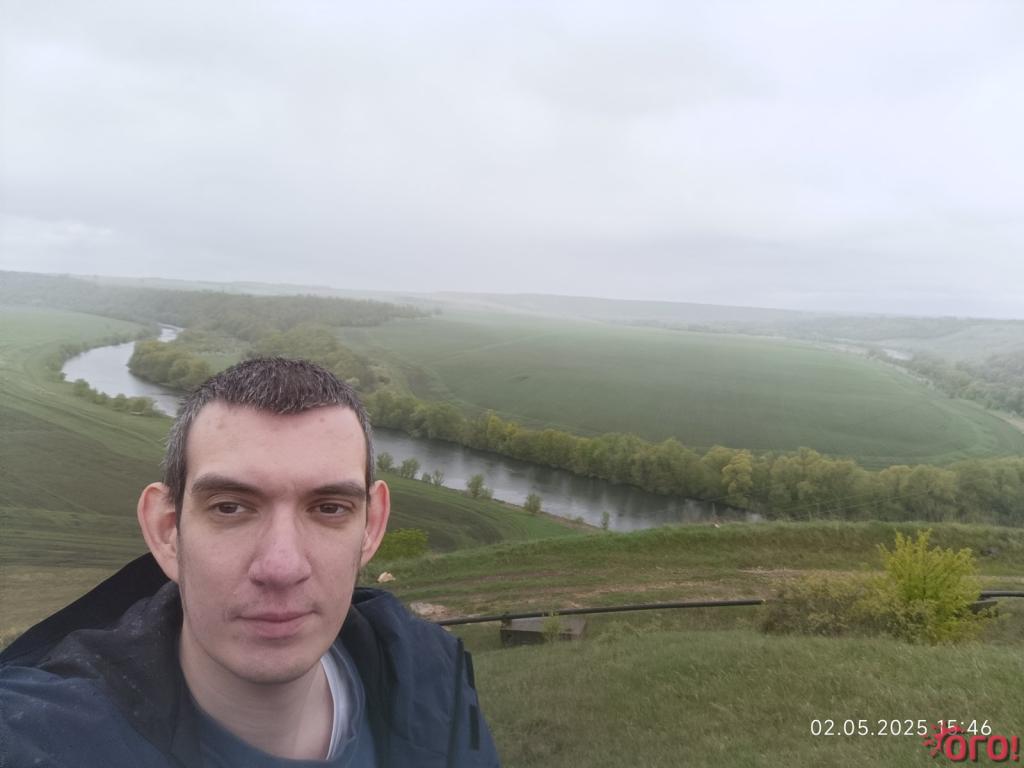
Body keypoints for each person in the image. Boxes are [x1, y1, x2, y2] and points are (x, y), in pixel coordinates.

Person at [0, 357, 499, 767]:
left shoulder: (433, 672)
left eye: (329, 509)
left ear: (371, 526)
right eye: (230, 508)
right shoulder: (36, 735)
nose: (281, 567)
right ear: (167, 530)